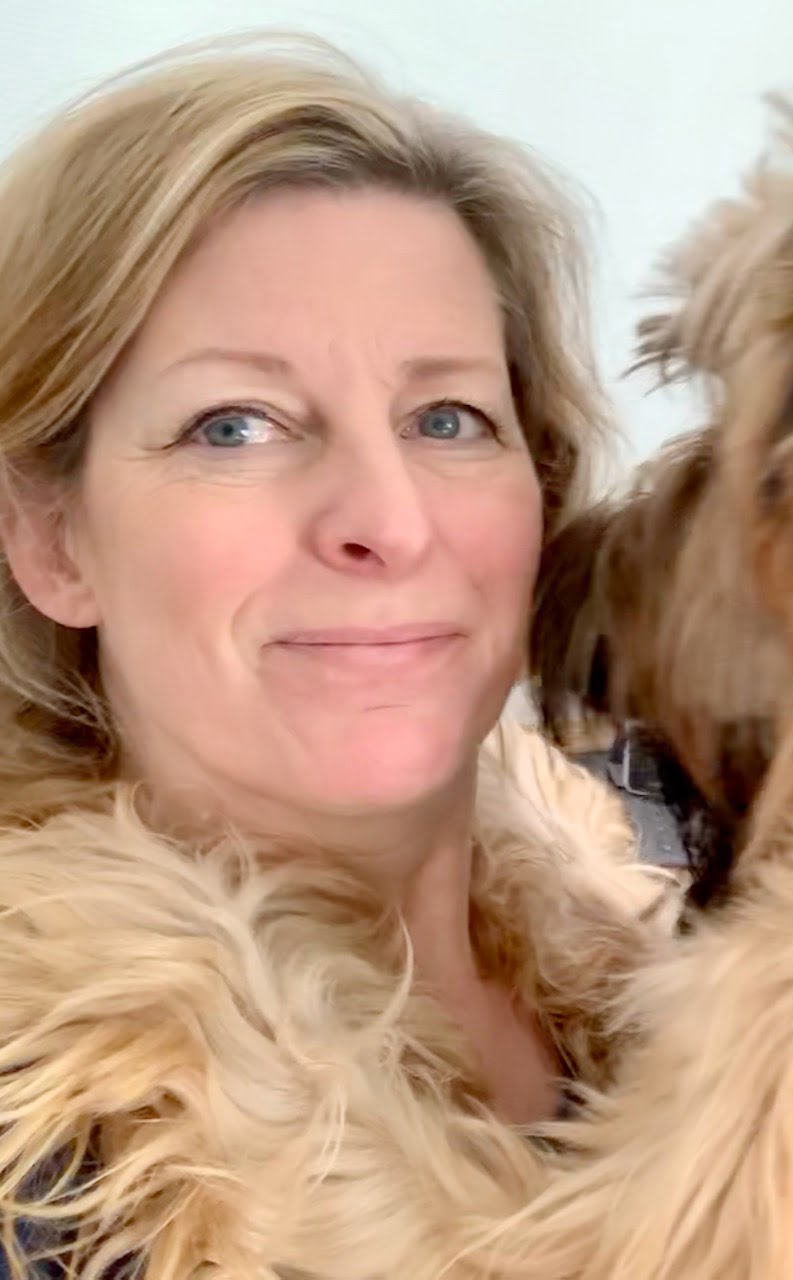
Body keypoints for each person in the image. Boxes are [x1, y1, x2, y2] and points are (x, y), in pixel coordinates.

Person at [0, 36, 673, 1278]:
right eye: (235, 425)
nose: (387, 517)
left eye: (446, 418)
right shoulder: (36, 1150)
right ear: (51, 540)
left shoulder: (697, 946)